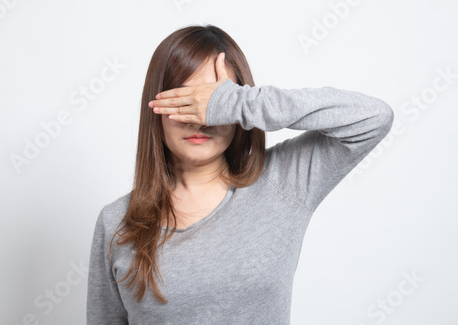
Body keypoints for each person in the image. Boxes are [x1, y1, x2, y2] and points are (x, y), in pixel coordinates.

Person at [87, 24, 394, 325]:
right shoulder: (116, 222)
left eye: (211, 100)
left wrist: (239, 103)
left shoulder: (283, 184)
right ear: (155, 105)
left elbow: (373, 118)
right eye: (185, 99)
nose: (200, 119)